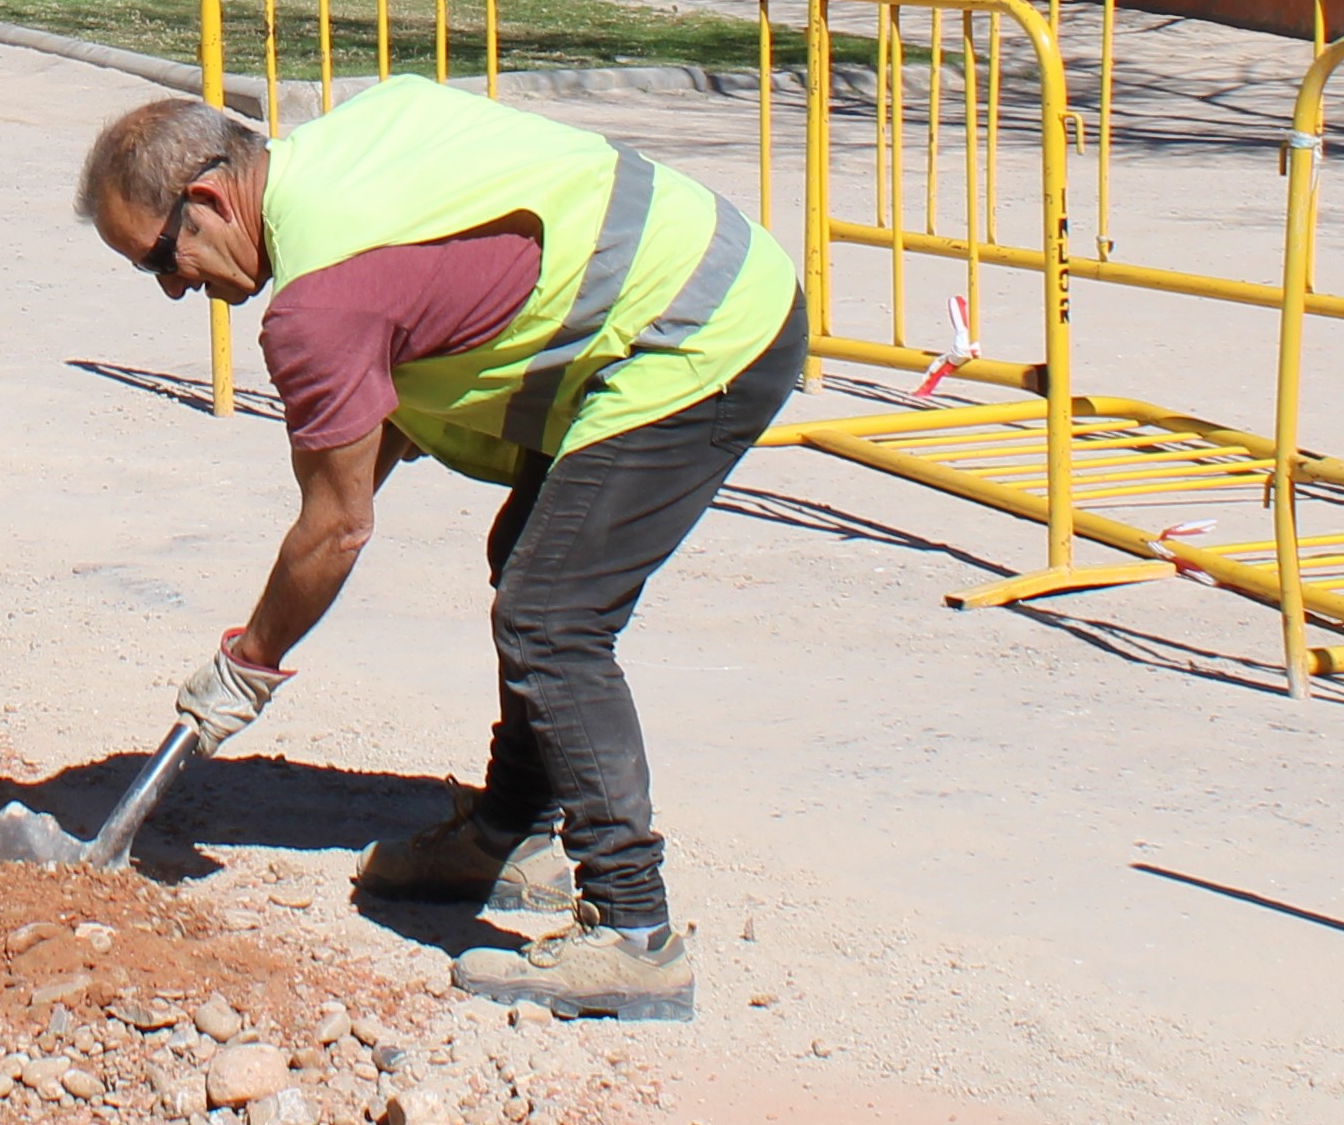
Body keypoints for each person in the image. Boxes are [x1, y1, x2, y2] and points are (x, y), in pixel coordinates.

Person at [70, 79, 805, 1019]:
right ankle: (513, 834)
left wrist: (248, 664)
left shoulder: (320, 302)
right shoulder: (345, 148)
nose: (176, 289)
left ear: (207, 201)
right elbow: (370, 440)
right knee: (532, 560)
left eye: (158, 261)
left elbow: (337, 523)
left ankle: (632, 931)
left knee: (551, 614)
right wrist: (294, 571)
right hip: (707, 275)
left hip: (703, 333)